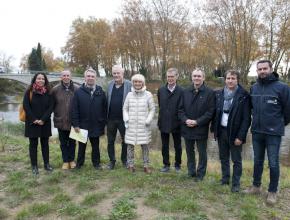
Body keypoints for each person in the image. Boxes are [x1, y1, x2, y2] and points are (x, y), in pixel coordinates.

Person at [244, 60, 290, 204]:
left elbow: (288, 111)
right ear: (257, 71)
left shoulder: (282, 88)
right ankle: (256, 187)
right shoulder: (254, 87)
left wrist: (278, 125)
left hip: (273, 133)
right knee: (257, 161)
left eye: (265, 68)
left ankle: (272, 191)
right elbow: (251, 108)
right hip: (257, 131)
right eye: (260, 69)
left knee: (273, 163)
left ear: (271, 69)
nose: (262, 71)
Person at [212, 70, 251, 192]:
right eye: (228, 78)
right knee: (223, 157)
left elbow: (246, 119)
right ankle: (225, 179)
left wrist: (241, 136)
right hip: (222, 130)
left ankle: (236, 184)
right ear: (225, 80)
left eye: (233, 78)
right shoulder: (219, 94)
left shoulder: (244, 95)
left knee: (236, 160)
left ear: (237, 80)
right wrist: (214, 129)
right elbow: (215, 113)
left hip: (235, 133)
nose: (230, 80)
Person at [178, 69, 215, 181]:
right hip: (187, 127)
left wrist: (197, 122)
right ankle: (191, 171)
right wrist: (185, 120)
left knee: (202, 152)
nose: (196, 78)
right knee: (189, 151)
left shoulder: (209, 92)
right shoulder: (185, 91)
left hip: (201, 127)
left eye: (199, 76)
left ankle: (200, 174)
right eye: (194, 76)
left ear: (203, 78)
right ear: (192, 77)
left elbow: (210, 112)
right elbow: (180, 110)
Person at [71, 68, 107, 169]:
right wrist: (75, 124)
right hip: (82, 125)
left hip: (96, 124)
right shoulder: (78, 92)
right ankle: (79, 164)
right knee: (81, 146)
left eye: (92, 76)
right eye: (88, 76)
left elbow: (105, 108)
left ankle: (96, 164)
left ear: (95, 78)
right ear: (85, 78)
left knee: (95, 146)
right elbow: (74, 109)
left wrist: (103, 122)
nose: (90, 78)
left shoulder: (101, 91)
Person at [123, 74, 155, 173]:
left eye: (139, 81)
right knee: (130, 146)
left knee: (145, 147)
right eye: (135, 82)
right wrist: (126, 118)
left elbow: (152, 109)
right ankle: (130, 165)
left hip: (143, 126)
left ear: (143, 83)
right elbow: (125, 108)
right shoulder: (129, 95)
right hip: (131, 125)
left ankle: (146, 166)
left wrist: (148, 120)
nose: (137, 83)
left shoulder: (148, 95)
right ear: (133, 83)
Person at [23, 72, 54, 175]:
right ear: (35, 80)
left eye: (43, 79)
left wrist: (43, 119)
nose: (41, 80)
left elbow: (51, 107)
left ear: (45, 80)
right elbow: (26, 106)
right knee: (33, 145)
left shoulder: (49, 92)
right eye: (39, 78)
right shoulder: (29, 91)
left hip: (45, 122)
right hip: (32, 123)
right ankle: (34, 166)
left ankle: (46, 164)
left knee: (45, 144)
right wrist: (34, 119)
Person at [157, 68, 183, 172]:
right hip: (163, 122)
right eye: (168, 76)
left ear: (177, 77)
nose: (170, 78)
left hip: (177, 123)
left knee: (178, 146)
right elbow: (160, 105)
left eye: (172, 76)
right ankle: (166, 165)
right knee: (164, 145)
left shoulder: (182, 91)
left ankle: (177, 165)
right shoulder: (161, 90)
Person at [51, 70, 78, 170]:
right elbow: (51, 105)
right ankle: (65, 161)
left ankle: (71, 160)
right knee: (63, 142)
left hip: (73, 122)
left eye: (68, 75)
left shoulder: (77, 89)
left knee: (72, 142)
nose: (66, 77)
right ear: (61, 77)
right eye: (64, 75)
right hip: (60, 121)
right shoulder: (55, 90)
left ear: (71, 77)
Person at [106, 65, 132, 169]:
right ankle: (112, 161)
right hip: (111, 119)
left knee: (125, 141)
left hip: (124, 120)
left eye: (118, 73)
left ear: (122, 74)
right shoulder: (110, 84)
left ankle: (124, 160)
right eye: (114, 73)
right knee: (110, 141)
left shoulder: (129, 84)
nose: (116, 75)